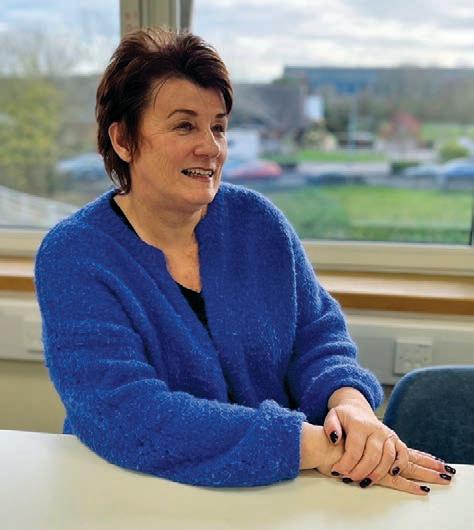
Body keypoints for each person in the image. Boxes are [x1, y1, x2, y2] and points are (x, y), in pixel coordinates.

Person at [35, 28, 455, 494]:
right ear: (123, 140)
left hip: (279, 494)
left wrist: (350, 406)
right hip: (134, 495)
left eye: (218, 127)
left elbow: (317, 337)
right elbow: (125, 412)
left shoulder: (258, 223)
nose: (211, 147)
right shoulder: (75, 255)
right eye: (184, 126)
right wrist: (313, 446)